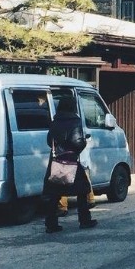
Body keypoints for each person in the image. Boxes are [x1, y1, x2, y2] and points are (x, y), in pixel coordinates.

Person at [44, 95, 96, 233]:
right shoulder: (75, 121)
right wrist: (84, 142)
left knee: (54, 193)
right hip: (71, 161)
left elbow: (49, 141)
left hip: (56, 161)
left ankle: (51, 224)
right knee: (83, 189)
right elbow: (77, 142)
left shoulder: (54, 121)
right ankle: (84, 220)